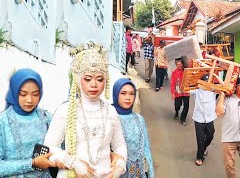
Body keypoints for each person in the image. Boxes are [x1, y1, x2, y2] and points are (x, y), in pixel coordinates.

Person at [44, 49, 127, 177]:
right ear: (78, 79)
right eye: (87, 79)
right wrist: (74, 163)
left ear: (106, 80)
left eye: (99, 79)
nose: (94, 85)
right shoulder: (65, 110)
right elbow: (49, 148)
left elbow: (120, 146)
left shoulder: (110, 111)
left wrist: (119, 167)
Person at [0, 68, 58, 177]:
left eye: (35, 94)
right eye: (23, 94)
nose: (30, 100)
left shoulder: (47, 118)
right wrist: (32, 163)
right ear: (14, 92)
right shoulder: (3, 122)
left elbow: (59, 150)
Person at [112, 78, 154, 178]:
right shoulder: (110, 118)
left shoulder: (139, 119)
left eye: (131, 94)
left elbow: (146, 147)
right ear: (116, 94)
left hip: (137, 170)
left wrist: (150, 172)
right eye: (123, 93)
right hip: (117, 171)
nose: (128, 98)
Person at [216, 77, 240, 178]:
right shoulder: (227, 99)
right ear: (236, 87)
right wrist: (222, 95)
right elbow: (219, 112)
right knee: (229, 165)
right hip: (229, 138)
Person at [188, 73, 224, 166]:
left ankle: (204, 148)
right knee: (200, 139)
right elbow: (185, 89)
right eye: (205, 82)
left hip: (209, 118)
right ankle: (200, 157)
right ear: (201, 83)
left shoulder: (213, 90)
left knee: (210, 135)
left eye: (208, 82)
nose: (206, 84)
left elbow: (224, 87)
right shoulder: (196, 90)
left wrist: (216, 77)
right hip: (198, 118)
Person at [170, 57, 190, 126]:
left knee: (186, 106)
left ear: (182, 64)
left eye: (180, 64)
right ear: (176, 65)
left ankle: (183, 119)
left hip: (186, 91)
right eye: (178, 64)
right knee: (177, 105)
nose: (179, 65)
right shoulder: (174, 73)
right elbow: (172, 83)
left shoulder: (186, 71)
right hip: (178, 92)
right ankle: (176, 111)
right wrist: (173, 93)